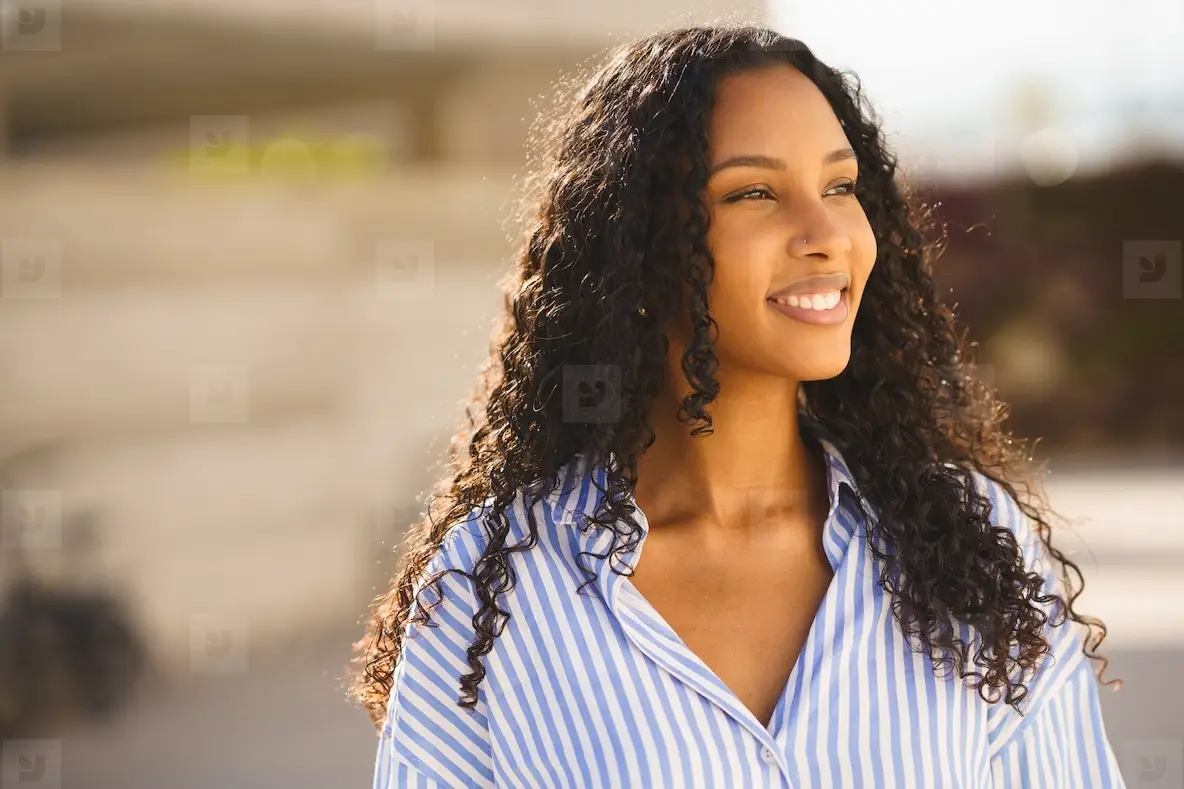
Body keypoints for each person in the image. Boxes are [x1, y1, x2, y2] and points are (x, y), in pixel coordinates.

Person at [350, 24, 1126, 788]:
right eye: (755, 192)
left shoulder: (971, 545)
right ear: (640, 248)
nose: (826, 234)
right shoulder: (495, 585)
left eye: (840, 187)